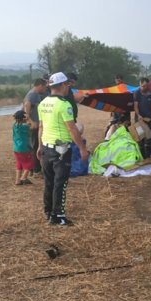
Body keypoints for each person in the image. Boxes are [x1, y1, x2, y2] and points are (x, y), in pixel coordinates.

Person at [37, 72, 89, 226]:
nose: (68, 87)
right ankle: (58, 215)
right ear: (62, 85)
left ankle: (48, 211)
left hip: (46, 146)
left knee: (49, 182)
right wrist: (82, 149)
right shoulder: (64, 104)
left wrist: (40, 146)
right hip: (61, 149)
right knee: (61, 183)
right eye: (67, 84)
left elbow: (41, 126)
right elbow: (72, 129)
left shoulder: (43, 103)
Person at [22, 78, 48, 174]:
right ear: (40, 85)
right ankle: (35, 169)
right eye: (45, 87)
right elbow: (27, 105)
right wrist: (31, 121)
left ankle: (33, 168)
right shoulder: (33, 94)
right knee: (35, 146)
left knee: (34, 145)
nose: (45, 89)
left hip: (35, 124)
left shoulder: (34, 94)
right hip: (33, 125)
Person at [133, 77, 151, 157]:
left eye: (144, 86)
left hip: (150, 119)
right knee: (140, 138)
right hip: (139, 120)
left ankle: (148, 157)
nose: (142, 88)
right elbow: (136, 106)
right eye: (141, 86)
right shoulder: (136, 93)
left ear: (148, 85)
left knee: (149, 138)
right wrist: (138, 115)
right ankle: (142, 157)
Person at [12, 110, 34, 185]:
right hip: (25, 148)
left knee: (19, 163)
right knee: (29, 162)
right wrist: (29, 118)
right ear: (24, 117)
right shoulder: (25, 126)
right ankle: (23, 177)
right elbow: (34, 126)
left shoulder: (14, 126)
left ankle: (17, 180)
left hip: (16, 148)